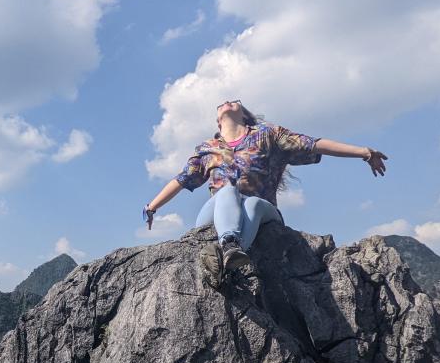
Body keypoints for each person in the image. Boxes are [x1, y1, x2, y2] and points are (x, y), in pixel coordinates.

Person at [143, 99, 387, 272]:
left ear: (245, 115)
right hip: (217, 212)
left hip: (262, 211)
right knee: (229, 190)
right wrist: (152, 207)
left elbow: (313, 144)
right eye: (222, 103)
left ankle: (229, 255)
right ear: (218, 122)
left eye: (234, 101)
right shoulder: (207, 148)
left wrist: (363, 152)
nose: (228, 102)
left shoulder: (267, 135)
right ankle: (230, 246)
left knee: (254, 204)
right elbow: (182, 179)